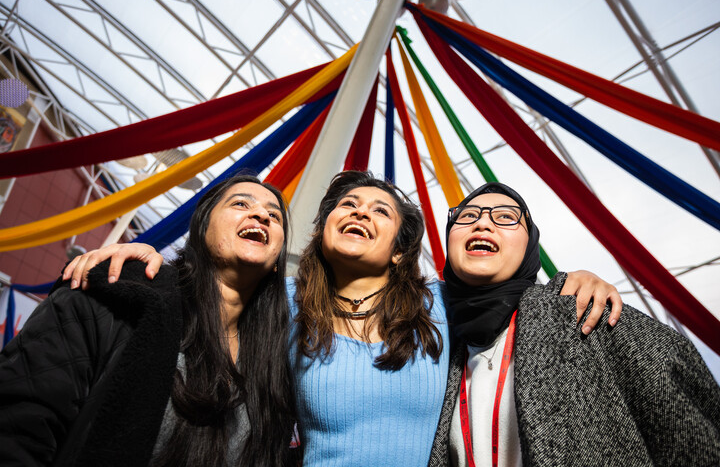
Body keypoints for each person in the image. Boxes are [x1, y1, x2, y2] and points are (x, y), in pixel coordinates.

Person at [59, 171, 622, 466]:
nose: (358, 212)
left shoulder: (442, 308)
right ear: (321, 236)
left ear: (401, 251)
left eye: (380, 211)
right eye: (345, 206)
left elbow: (506, 294)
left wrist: (576, 280)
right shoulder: (279, 303)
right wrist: (140, 260)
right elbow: (209, 285)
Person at [0, 175, 296, 467]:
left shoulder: (276, 363)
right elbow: (19, 423)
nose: (261, 215)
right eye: (241, 203)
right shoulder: (116, 297)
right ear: (201, 229)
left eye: (274, 215)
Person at [428, 182, 720, 466]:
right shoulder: (432, 349)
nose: (483, 224)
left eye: (506, 217)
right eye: (467, 216)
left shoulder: (586, 317)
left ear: (530, 246)